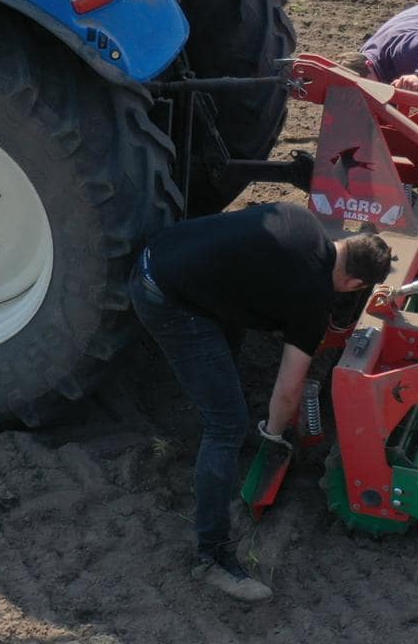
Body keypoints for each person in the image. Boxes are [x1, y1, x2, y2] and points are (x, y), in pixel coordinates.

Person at [128, 202, 392, 603]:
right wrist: (275, 434)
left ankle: (219, 441)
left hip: (163, 253)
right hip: (165, 297)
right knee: (227, 424)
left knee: (227, 362)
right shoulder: (312, 298)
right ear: (355, 284)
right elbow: (289, 388)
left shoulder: (302, 220)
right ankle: (212, 557)